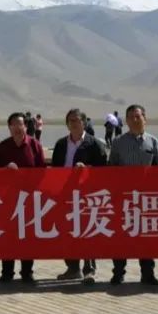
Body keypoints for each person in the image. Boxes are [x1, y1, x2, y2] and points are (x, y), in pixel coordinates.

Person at [108, 104, 158, 286]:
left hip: (146, 199)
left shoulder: (153, 142)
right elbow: (111, 169)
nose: (134, 120)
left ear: (144, 119)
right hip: (124, 198)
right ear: (126, 121)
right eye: (131, 117)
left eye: (138, 116)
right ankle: (118, 273)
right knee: (121, 237)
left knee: (146, 237)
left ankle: (148, 273)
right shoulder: (118, 143)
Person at [52, 108, 108, 284]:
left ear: (84, 122)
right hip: (65, 194)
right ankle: (73, 268)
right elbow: (54, 169)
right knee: (67, 230)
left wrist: (87, 169)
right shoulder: (61, 144)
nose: (74, 123)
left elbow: (104, 171)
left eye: (77, 120)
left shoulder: (94, 144)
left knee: (88, 230)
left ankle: (89, 269)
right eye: (70, 121)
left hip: (87, 195)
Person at [0, 112, 46, 283]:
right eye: (13, 124)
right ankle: (7, 272)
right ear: (9, 127)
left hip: (29, 200)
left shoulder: (34, 145)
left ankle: (27, 271)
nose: (17, 127)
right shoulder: (2, 147)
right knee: (8, 236)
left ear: (26, 126)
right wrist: (4, 170)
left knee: (27, 237)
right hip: (8, 199)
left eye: (20, 124)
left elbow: (42, 171)